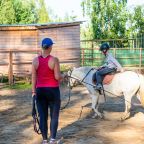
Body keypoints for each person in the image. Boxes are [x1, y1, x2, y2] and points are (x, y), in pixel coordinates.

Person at [32, 38, 65, 144]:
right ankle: (53, 140)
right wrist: (64, 76)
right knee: (54, 116)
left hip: (40, 91)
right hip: (53, 91)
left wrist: (33, 92)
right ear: (50, 47)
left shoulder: (35, 61)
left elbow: (33, 78)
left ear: (42, 47)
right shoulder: (54, 60)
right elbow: (57, 76)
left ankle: (45, 140)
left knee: (42, 116)